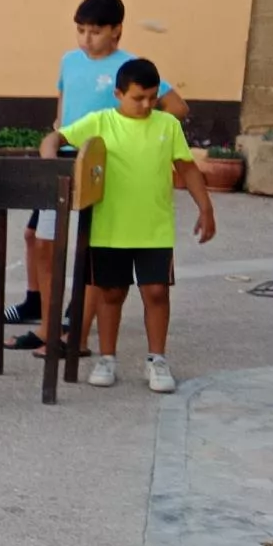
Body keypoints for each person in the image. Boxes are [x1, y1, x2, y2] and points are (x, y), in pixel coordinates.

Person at [5, 0, 188, 353]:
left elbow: (175, 107)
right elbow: (64, 107)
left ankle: (77, 336)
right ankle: (47, 326)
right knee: (44, 243)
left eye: (95, 32)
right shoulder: (69, 61)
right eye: (81, 31)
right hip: (64, 160)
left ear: (116, 31)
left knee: (90, 250)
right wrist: (55, 141)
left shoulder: (129, 66)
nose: (86, 39)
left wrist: (137, 136)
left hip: (103, 166)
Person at [42, 57, 215, 393]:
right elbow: (55, 137)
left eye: (152, 97)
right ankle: (107, 358)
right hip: (109, 227)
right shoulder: (101, 121)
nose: (147, 104)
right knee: (111, 293)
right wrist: (51, 167)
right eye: (139, 98)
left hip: (154, 227)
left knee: (156, 291)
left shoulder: (167, 125)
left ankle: (157, 359)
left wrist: (205, 207)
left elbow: (187, 168)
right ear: (119, 94)